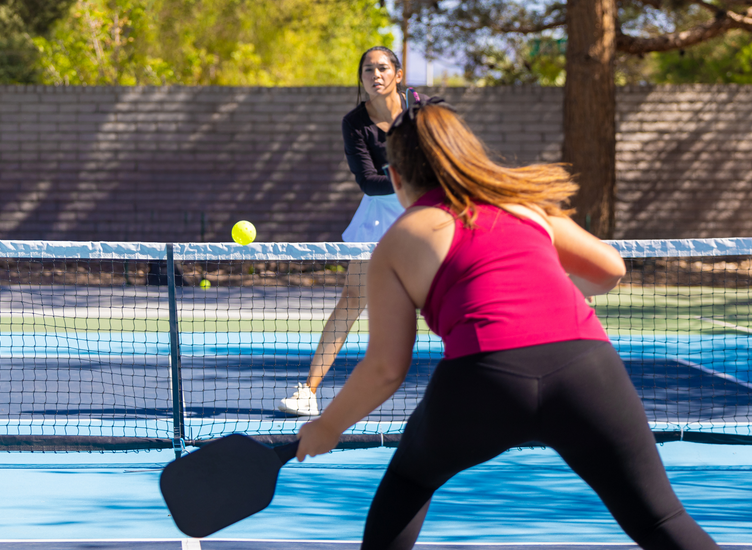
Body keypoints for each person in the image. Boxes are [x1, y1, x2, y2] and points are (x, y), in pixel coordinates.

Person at [295, 98, 720, 549]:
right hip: (586, 368)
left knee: (409, 482)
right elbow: (610, 270)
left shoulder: (398, 241)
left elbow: (386, 368)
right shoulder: (523, 204)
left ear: (395, 177)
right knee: (660, 519)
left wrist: (328, 427)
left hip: (485, 379)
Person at [278, 46, 409, 416]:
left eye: (383, 68)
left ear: (398, 74)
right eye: (368, 69)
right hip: (378, 218)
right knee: (352, 299)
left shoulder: (422, 109)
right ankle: (308, 391)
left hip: (426, 214)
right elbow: (367, 182)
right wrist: (413, 180)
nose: (375, 75)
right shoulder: (355, 123)